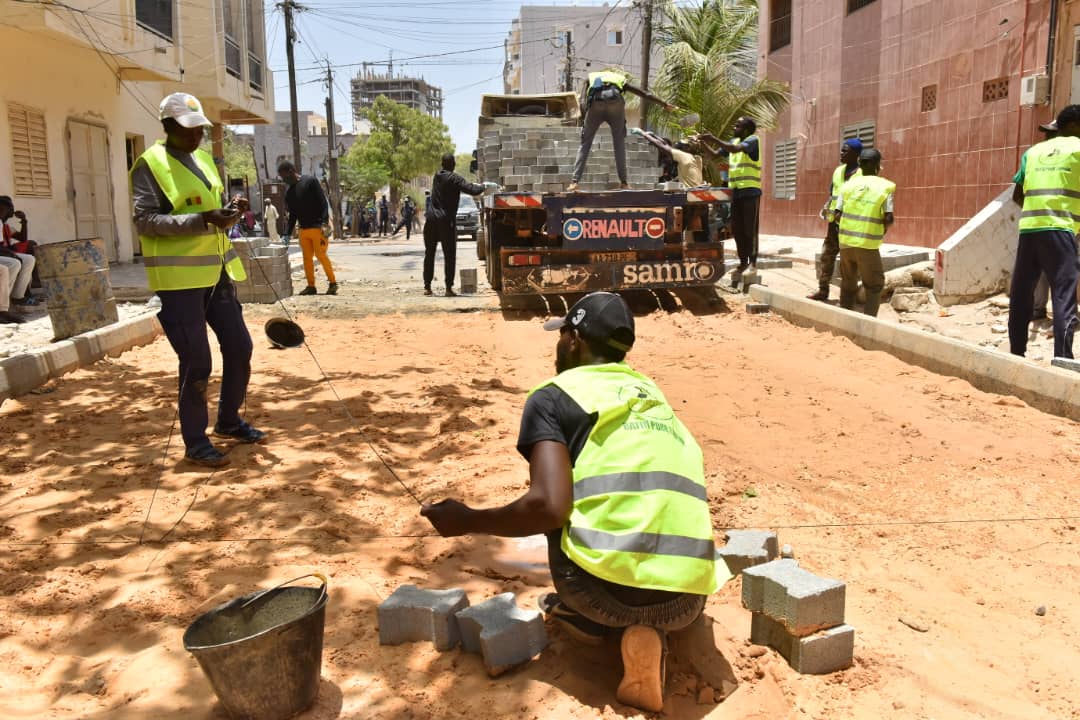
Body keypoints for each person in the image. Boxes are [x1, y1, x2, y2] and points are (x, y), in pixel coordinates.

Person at [421, 292, 723, 713]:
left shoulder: (552, 396)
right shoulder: (653, 396)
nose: (558, 346)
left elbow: (548, 506)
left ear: (575, 340)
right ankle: (653, 632)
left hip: (599, 594)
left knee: (561, 501)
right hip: (687, 599)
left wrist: (467, 519)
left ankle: (594, 622)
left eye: (561, 335)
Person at [131, 92, 265, 467]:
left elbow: (210, 208)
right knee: (197, 362)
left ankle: (228, 420)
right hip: (178, 281)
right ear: (168, 127)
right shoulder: (149, 164)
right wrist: (203, 219)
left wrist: (229, 213)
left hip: (216, 273)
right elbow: (146, 220)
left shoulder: (204, 160)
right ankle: (195, 440)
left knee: (240, 347)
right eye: (188, 130)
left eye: (200, 130)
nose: (196, 137)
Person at [1009, 105, 1080, 359]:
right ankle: (1062, 360)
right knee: (1063, 298)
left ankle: (1016, 354)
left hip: (1029, 230)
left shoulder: (1032, 152)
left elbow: (1017, 194)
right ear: (1073, 125)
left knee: (1021, 295)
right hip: (1061, 230)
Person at [568, 70, 676, 193]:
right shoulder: (618, 78)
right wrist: (664, 104)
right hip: (615, 102)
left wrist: (584, 119)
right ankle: (624, 183)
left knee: (585, 143)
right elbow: (644, 94)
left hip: (596, 103)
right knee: (619, 143)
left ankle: (574, 183)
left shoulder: (590, 77)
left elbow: (582, 99)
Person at [835, 148, 895, 317]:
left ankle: (844, 319)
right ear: (878, 166)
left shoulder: (848, 186)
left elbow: (837, 215)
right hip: (867, 245)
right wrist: (881, 229)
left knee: (848, 283)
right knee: (874, 285)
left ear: (860, 165)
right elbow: (889, 218)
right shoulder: (885, 187)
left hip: (845, 244)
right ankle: (868, 323)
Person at [701, 117, 762, 278]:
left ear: (747, 129)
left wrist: (713, 138)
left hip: (750, 192)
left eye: (738, 125)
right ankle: (743, 263)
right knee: (738, 230)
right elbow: (715, 155)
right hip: (736, 193)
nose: (735, 127)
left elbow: (735, 149)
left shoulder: (753, 140)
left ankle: (753, 264)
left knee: (750, 230)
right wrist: (701, 143)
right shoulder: (733, 141)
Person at [1013, 120, 1058, 320]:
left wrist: (1035, 210)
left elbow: (1016, 194)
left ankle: (1038, 310)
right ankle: (1065, 314)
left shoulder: (1031, 155)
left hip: (1034, 225)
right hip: (1065, 225)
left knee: (1040, 271)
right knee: (1063, 271)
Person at [423, 153, 486, 297]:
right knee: (449, 254)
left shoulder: (437, 176)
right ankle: (448, 288)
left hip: (431, 220)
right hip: (446, 221)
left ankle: (427, 287)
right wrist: (484, 186)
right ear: (453, 164)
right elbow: (472, 189)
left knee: (429, 253)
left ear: (442, 164)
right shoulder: (454, 178)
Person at [808, 139, 863, 302]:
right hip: (834, 224)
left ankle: (849, 297)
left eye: (845, 151)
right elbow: (832, 192)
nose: (841, 153)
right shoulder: (838, 171)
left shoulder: (862, 174)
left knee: (849, 262)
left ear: (855, 154)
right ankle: (823, 291)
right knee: (827, 256)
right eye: (841, 150)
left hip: (852, 225)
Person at [278, 160, 338, 296]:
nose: (284, 180)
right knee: (307, 258)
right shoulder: (289, 193)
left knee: (321, 255)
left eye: (284, 176)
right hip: (303, 230)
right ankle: (311, 286)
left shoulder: (310, 181)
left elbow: (323, 203)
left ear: (291, 171)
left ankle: (333, 283)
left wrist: (324, 223)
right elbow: (293, 215)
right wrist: (287, 233)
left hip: (318, 228)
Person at [0, 196, 39, 307]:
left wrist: (24, 221)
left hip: (5, 251)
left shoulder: (6, 226)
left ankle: (18, 296)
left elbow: (23, 238)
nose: (8, 213)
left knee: (30, 256)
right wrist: (11, 253)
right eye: (6, 210)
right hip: (4, 252)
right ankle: (4, 301)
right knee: (15, 262)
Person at [632, 129, 704, 187]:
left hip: (688, 193)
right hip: (696, 189)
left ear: (688, 148)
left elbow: (662, 146)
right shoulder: (697, 158)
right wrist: (654, 135)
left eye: (684, 145)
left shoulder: (684, 156)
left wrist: (643, 134)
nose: (680, 146)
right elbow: (666, 145)